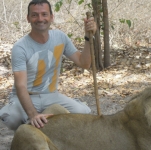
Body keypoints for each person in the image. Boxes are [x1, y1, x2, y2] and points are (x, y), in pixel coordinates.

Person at [0, 0, 97, 131]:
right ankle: (32, 124)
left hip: (51, 95)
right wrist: (33, 115)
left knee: (83, 112)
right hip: (26, 96)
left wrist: (87, 37)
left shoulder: (60, 37)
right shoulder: (20, 47)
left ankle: (47, 118)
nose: (40, 19)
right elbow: (20, 85)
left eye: (44, 14)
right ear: (28, 18)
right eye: (34, 15)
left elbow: (84, 63)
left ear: (52, 17)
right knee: (11, 118)